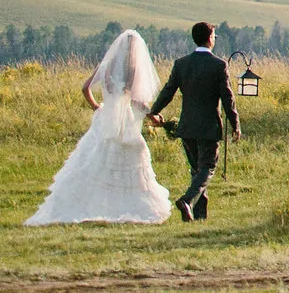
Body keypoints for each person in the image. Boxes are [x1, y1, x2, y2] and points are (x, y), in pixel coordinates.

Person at [28, 28, 172, 225]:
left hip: (105, 118)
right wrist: (154, 118)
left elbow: (85, 88)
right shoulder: (132, 70)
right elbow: (136, 103)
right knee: (131, 161)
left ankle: (91, 204)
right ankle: (125, 206)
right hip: (124, 121)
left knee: (96, 161)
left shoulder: (107, 65)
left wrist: (97, 106)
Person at [145, 21, 238, 222]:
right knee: (208, 168)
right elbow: (227, 98)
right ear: (209, 38)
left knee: (197, 171)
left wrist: (154, 111)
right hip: (208, 127)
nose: (215, 39)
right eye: (214, 36)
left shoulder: (182, 64)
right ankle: (187, 201)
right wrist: (235, 124)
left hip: (187, 126)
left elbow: (168, 91)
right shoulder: (219, 65)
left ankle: (199, 216)